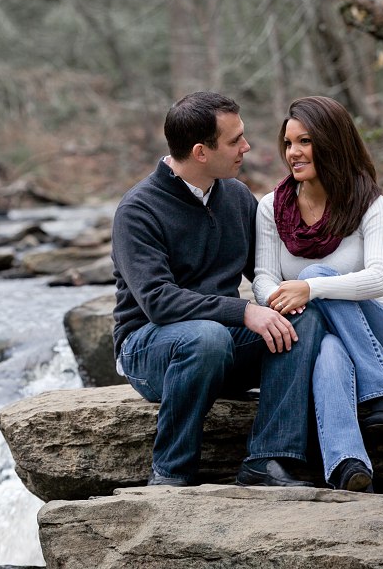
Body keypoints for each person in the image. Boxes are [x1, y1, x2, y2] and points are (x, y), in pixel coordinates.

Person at [111, 91, 326, 488]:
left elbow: (267, 274)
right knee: (206, 337)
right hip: (150, 350)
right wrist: (243, 311)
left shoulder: (237, 197)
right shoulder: (138, 210)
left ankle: (266, 459)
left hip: (222, 347)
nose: (247, 147)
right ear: (201, 152)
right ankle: (171, 473)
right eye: (234, 141)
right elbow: (158, 301)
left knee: (303, 317)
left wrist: (308, 287)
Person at [251, 95, 383, 493]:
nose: (294, 153)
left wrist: (312, 287)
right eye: (289, 143)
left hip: (379, 334)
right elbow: (263, 278)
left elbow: (379, 280)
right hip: (321, 338)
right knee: (328, 354)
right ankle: (348, 466)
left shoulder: (369, 201)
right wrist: (282, 299)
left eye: (305, 141)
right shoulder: (272, 207)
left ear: (332, 142)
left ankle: (382, 387)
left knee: (319, 273)